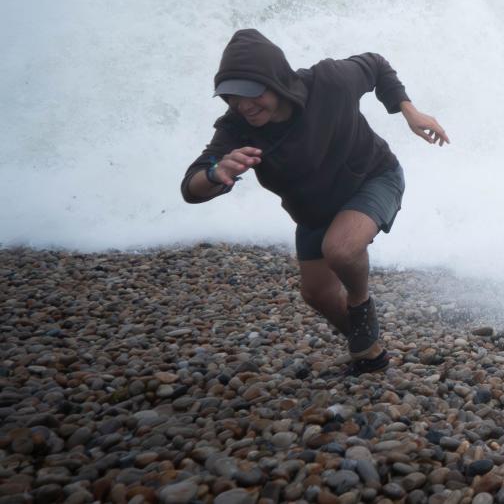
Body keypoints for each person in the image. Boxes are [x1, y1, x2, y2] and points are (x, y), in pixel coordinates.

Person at [181, 29, 449, 375]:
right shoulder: (237, 128)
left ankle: (360, 302)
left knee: (340, 249)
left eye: (252, 93)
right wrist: (217, 174)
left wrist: (408, 111)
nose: (243, 105)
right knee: (317, 294)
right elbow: (191, 187)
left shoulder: (329, 82)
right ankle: (370, 354)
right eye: (232, 96)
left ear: (276, 80)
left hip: (371, 178)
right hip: (313, 210)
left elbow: (377, 66)